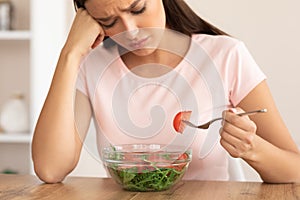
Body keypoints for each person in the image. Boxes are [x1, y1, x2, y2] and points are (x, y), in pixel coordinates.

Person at [32, 0, 300, 184]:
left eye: (137, 9)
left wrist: (251, 148)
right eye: (109, 21)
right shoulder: (93, 64)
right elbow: (50, 169)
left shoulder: (226, 55)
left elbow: (295, 170)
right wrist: (70, 54)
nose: (131, 32)